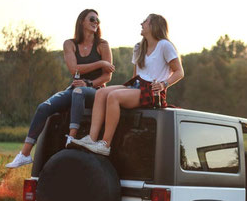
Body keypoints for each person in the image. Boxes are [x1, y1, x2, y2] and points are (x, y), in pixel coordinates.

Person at [5, 9, 114, 168]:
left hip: (96, 91)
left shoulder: (103, 45)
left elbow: (107, 76)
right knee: (43, 107)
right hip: (75, 88)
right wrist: (100, 63)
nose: (95, 22)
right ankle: (25, 154)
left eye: (98, 20)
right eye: (92, 19)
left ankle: (71, 139)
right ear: (82, 21)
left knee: (79, 91)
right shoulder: (70, 44)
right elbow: (74, 69)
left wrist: (89, 84)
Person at [70, 13, 184, 156]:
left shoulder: (165, 46)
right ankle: (92, 139)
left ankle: (105, 144)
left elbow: (179, 72)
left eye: (145, 21)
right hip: (137, 86)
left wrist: (164, 84)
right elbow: (135, 76)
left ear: (154, 25)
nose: (141, 24)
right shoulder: (139, 47)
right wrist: (128, 90)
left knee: (113, 96)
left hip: (152, 92)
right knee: (100, 93)